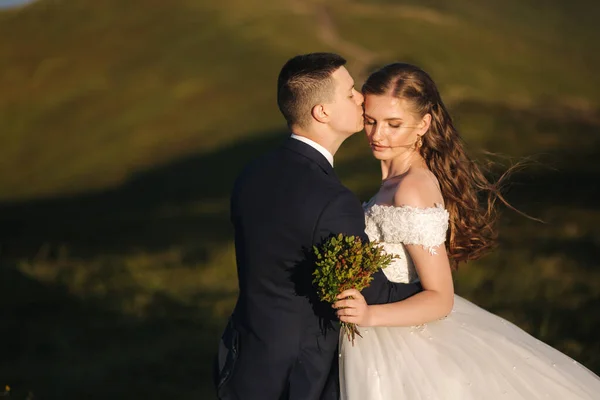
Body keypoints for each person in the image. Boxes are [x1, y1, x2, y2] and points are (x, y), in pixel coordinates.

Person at [334, 62, 600, 399]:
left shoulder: (411, 189)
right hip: (381, 330)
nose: (377, 134)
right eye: (370, 120)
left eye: (394, 124)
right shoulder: (395, 179)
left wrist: (369, 314)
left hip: (396, 338)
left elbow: (440, 298)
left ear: (423, 125)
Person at [214, 53, 422, 400]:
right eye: (350, 92)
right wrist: (429, 292)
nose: (360, 98)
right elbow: (370, 293)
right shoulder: (332, 201)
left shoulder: (252, 173)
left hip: (243, 359)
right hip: (298, 376)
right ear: (322, 112)